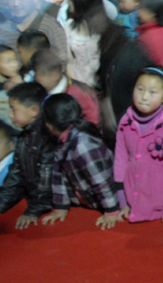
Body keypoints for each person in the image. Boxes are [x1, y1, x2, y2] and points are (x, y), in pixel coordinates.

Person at [113, 67, 163, 224]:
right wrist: (122, 202)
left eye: (152, 92)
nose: (144, 97)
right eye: (140, 89)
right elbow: (120, 161)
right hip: (131, 205)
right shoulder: (125, 122)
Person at [0, 83, 54, 228]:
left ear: (34, 110)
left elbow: (46, 180)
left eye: (13, 109)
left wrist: (33, 211)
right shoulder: (25, 138)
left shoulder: (47, 138)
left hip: (55, 205)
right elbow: (16, 174)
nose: (10, 115)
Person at [41, 94, 121, 230]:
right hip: (86, 200)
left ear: (49, 125)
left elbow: (101, 180)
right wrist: (61, 206)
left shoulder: (83, 145)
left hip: (104, 200)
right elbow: (58, 176)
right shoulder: (61, 141)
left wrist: (111, 210)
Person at [32, 48, 101, 127]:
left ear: (55, 74)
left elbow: (94, 123)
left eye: (42, 74)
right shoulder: (39, 91)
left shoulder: (82, 94)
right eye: (36, 73)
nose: (36, 78)